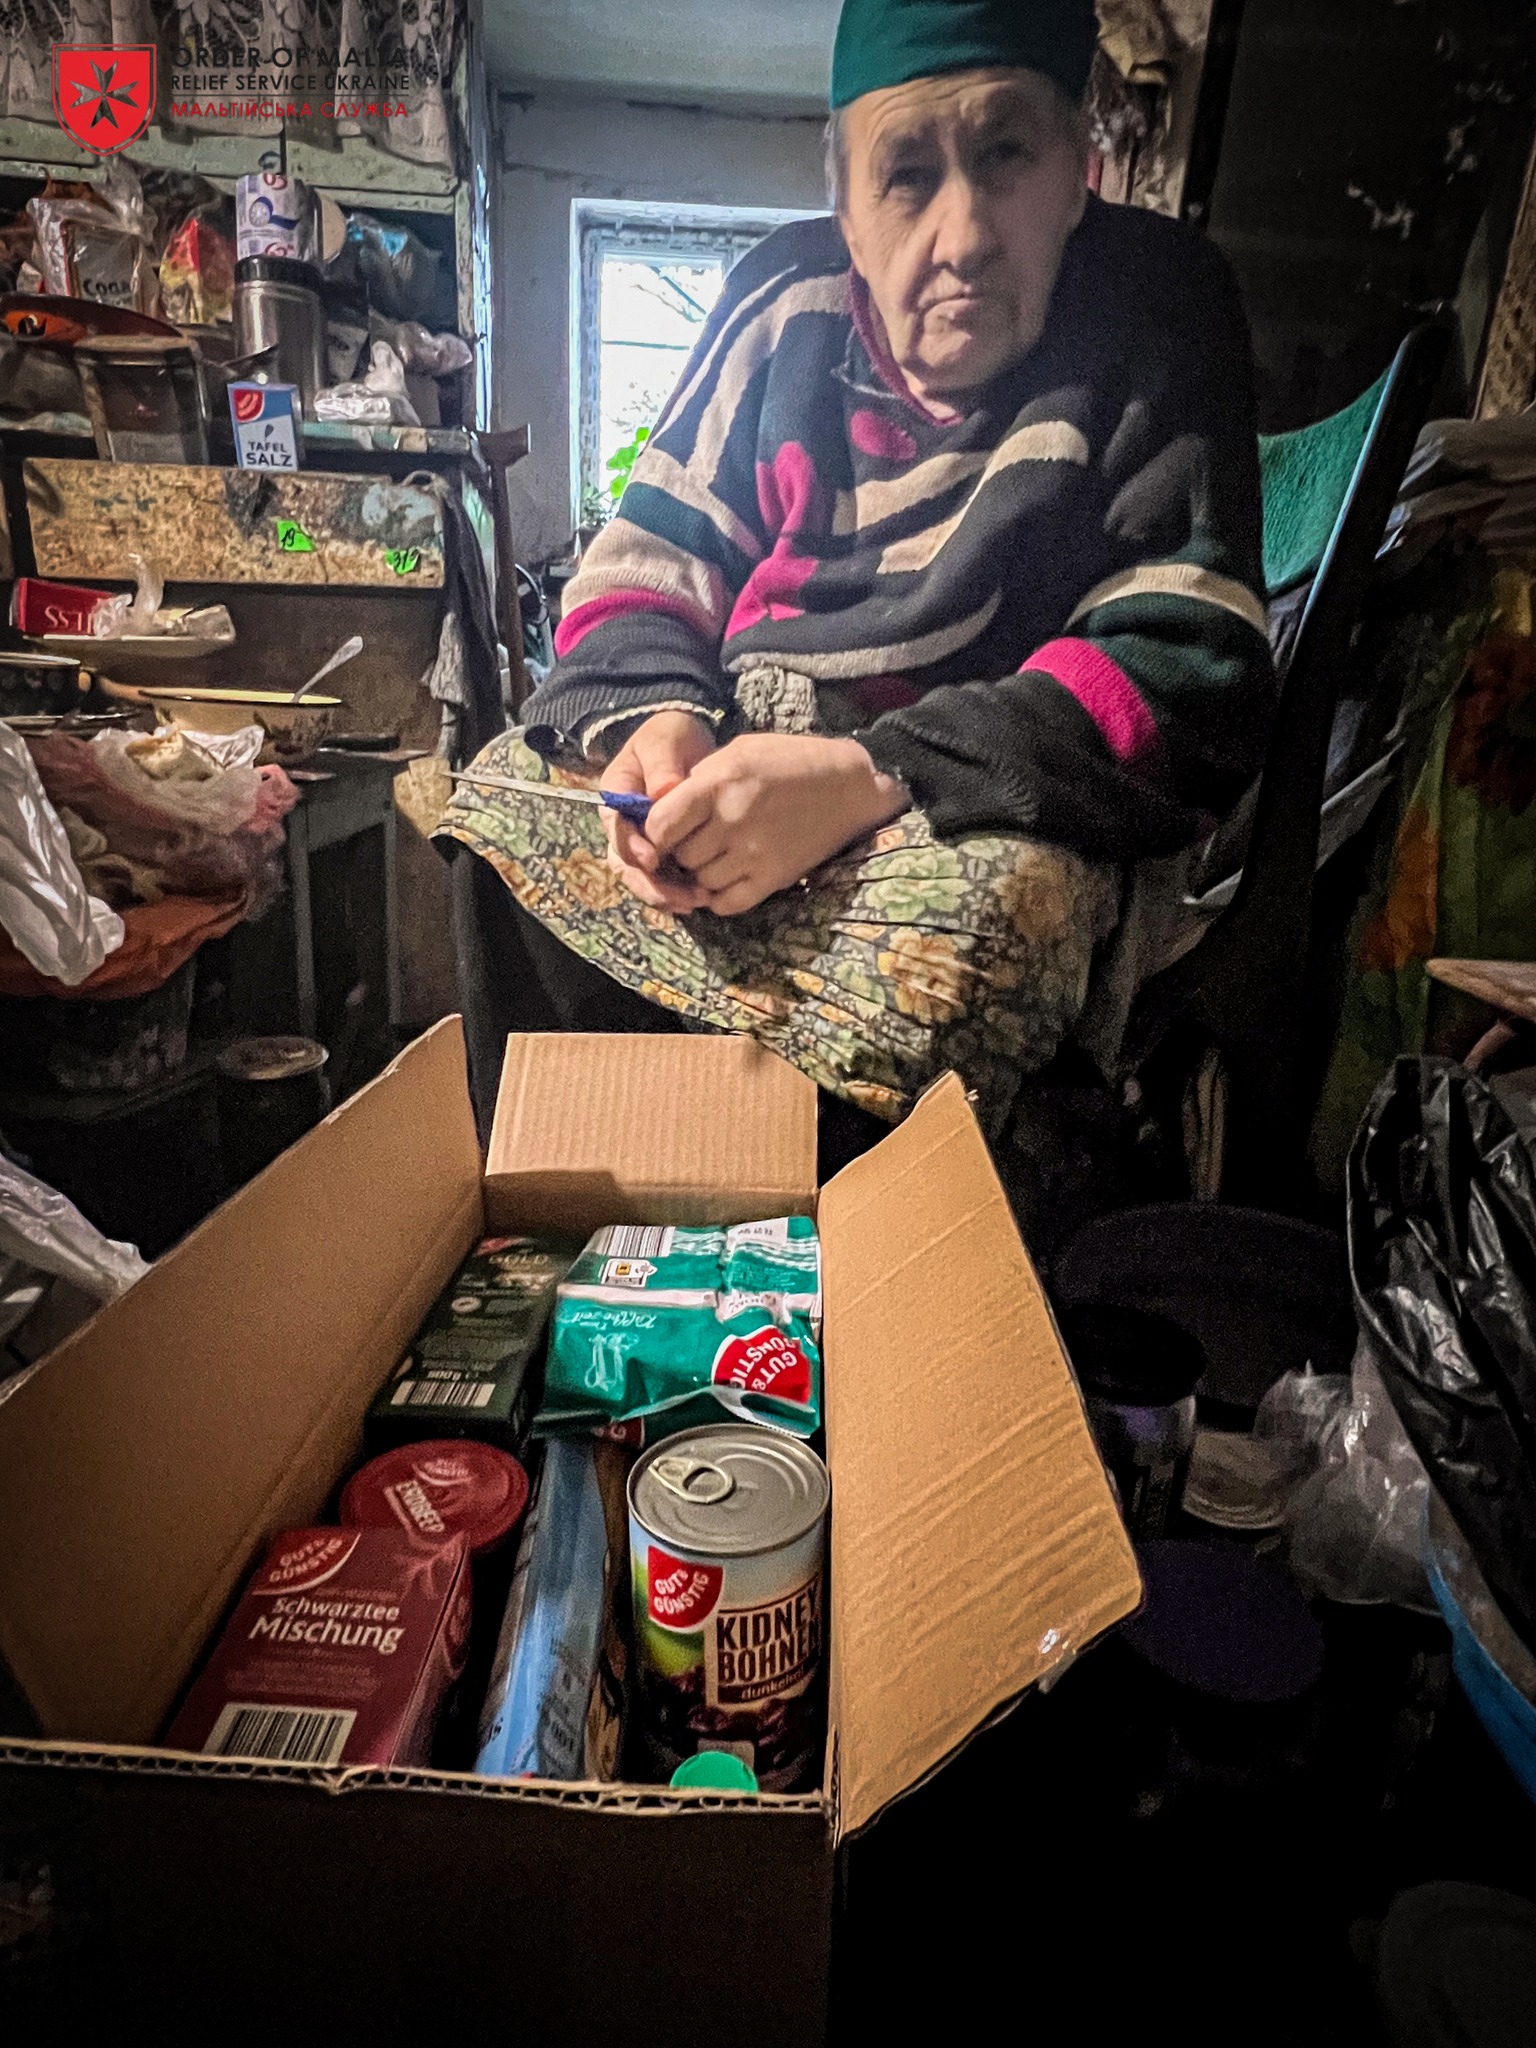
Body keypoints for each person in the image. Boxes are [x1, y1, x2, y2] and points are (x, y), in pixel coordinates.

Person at [440, 0, 1273, 1174]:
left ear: (1080, 168)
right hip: (749, 745)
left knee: (981, 939)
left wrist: (868, 775)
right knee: (502, 815)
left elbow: (1186, 666)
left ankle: (877, 1260)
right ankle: (577, 1215)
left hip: (983, 790)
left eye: (1007, 154)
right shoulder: (779, 299)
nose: (963, 234)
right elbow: (643, 569)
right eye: (908, 175)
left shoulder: (1159, 303)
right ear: (844, 199)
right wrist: (657, 729)